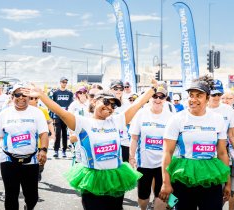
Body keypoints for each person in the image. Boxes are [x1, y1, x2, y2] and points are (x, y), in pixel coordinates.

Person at [23, 79, 159, 210]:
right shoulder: (83, 122)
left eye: (113, 105)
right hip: (93, 179)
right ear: (94, 101)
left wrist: (152, 89)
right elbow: (61, 112)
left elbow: (136, 106)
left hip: (116, 178)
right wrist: (42, 96)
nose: (110, 107)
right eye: (106, 102)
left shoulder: (116, 121)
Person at [159, 75, 231, 210]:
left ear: (207, 98)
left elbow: (222, 153)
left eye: (199, 95)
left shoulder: (218, 119)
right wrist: (165, 183)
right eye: (191, 95)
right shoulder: (177, 119)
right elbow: (167, 153)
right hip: (182, 176)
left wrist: (227, 182)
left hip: (210, 176)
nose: (193, 99)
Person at [0, 84, 49, 210]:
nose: (21, 98)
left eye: (24, 95)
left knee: (32, 197)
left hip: (31, 160)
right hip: (9, 160)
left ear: (29, 96)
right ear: (12, 96)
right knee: (11, 196)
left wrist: (43, 150)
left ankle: (28, 206)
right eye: (17, 95)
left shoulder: (37, 113)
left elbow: (44, 133)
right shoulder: (4, 114)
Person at [129, 85, 173, 210]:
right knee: (143, 197)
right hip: (144, 163)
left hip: (163, 163)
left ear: (165, 99)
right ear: (150, 97)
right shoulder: (141, 114)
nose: (158, 99)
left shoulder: (170, 116)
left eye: (161, 96)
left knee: (161, 196)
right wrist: (131, 157)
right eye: (155, 96)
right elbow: (134, 137)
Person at [28, 94, 55, 181]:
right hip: (29, 141)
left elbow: (49, 122)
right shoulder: (23, 110)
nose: (34, 100)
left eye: (36, 98)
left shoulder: (43, 110)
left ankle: (39, 171)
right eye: (31, 98)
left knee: (41, 161)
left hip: (41, 141)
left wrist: (53, 134)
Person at [109, 80, 131, 162]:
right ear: (110, 89)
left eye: (121, 89)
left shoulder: (126, 103)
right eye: (115, 88)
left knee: (124, 167)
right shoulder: (106, 102)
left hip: (123, 140)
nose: (118, 91)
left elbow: (131, 120)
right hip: (109, 140)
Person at [52, 77, 74, 158]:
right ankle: (56, 150)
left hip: (66, 115)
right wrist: (52, 116)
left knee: (65, 133)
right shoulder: (55, 93)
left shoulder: (70, 93)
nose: (64, 84)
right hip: (57, 115)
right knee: (58, 133)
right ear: (60, 82)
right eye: (63, 82)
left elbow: (71, 105)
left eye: (65, 82)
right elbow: (53, 104)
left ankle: (64, 150)